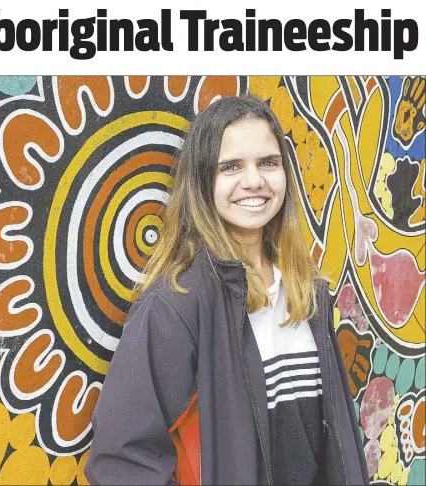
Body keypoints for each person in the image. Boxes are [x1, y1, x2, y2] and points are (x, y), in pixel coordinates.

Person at [84, 95, 369, 485]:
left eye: (268, 162)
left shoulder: (305, 289)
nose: (254, 180)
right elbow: (121, 456)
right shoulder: (177, 303)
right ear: (203, 181)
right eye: (230, 166)